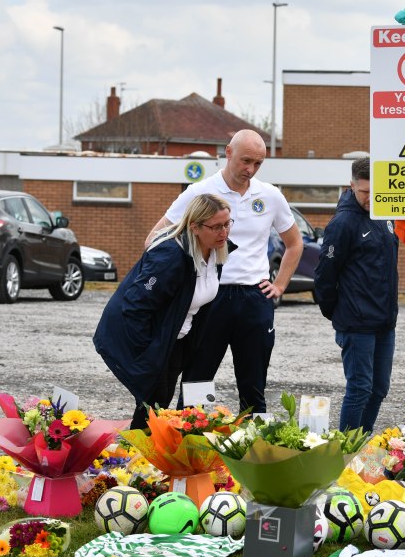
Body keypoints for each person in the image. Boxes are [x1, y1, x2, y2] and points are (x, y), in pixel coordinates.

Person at [145, 129, 303, 414]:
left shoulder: (270, 195)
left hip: (255, 299)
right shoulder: (199, 192)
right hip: (210, 299)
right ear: (228, 153)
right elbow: (154, 239)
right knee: (197, 382)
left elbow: (294, 244)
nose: (250, 170)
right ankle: (187, 449)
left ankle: (254, 454)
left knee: (253, 386)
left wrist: (279, 285)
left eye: (258, 163)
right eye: (245, 161)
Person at [94, 194, 233, 429]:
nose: (224, 232)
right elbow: (136, 305)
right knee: (153, 401)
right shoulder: (171, 255)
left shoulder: (215, 251)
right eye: (216, 226)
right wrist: (147, 352)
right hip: (151, 338)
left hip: (177, 336)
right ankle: (137, 456)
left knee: (159, 400)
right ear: (195, 227)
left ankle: (144, 454)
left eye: (228, 223)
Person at [314, 158, 399, 433]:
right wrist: (337, 313)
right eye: (365, 193)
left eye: (377, 193)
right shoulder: (343, 223)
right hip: (356, 323)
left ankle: (361, 442)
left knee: (379, 388)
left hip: (385, 322)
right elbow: (325, 275)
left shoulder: (384, 215)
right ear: (352, 187)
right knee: (360, 388)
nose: (371, 199)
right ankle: (346, 452)